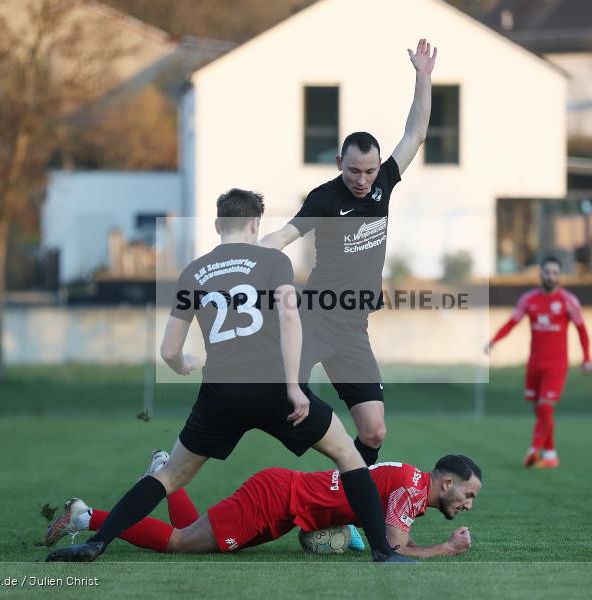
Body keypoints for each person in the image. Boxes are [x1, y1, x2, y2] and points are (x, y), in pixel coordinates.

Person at [46, 189, 409, 563]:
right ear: (256, 224)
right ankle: (383, 551)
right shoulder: (272, 261)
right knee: (348, 456)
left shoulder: (192, 272)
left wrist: (181, 362)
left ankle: (97, 541)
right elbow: (288, 318)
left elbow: (169, 349)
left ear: (218, 224)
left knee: (170, 475)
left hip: (220, 393)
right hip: (274, 392)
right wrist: (293, 388)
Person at [260, 39, 437, 468]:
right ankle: (189, 447)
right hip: (315, 318)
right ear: (340, 161)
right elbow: (284, 235)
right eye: (354, 170)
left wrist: (424, 77)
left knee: (375, 430)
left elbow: (415, 133)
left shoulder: (384, 183)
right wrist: (246, 254)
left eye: (370, 170)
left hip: (353, 328)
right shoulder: (323, 198)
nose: (362, 179)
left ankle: (342, 499)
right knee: (279, 400)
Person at [46, 453, 481, 561]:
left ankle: (164, 470)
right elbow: (393, 549)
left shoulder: (409, 482)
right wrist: (445, 549)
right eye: (468, 494)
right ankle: (86, 516)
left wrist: (345, 531)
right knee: (181, 543)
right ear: (446, 484)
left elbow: (365, 513)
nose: (469, 504)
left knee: (202, 539)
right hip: (276, 500)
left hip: (283, 501)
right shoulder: (410, 488)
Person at [484, 257, 591, 469]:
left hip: (557, 364)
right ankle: (550, 454)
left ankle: (534, 450)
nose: (550, 276)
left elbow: (582, 330)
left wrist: (587, 358)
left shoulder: (569, 301)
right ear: (540, 273)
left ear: (560, 276)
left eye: (554, 272)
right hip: (534, 363)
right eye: (547, 272)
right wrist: (494, 340)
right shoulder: (528, 299)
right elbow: (512, 322)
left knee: (545, 408)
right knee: (540, 411)